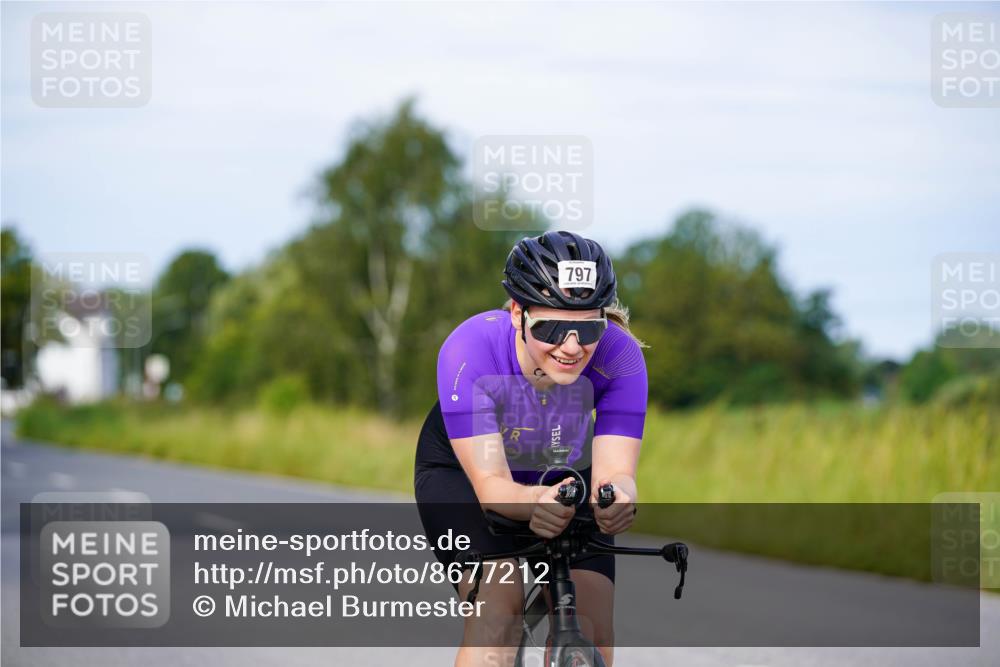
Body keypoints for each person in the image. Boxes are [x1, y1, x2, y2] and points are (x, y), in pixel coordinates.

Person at [414, 230, 648, 667]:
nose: (572, 346)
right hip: (466, 474)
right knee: (498, 617)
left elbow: (616, 474)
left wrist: (617, 499)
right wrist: (535, 501)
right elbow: (492, 487)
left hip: (560, 465)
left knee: (592, 628)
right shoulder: (470, 350)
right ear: (517, 313)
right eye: (553, 328)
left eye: (588, 327)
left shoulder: (620, 356)